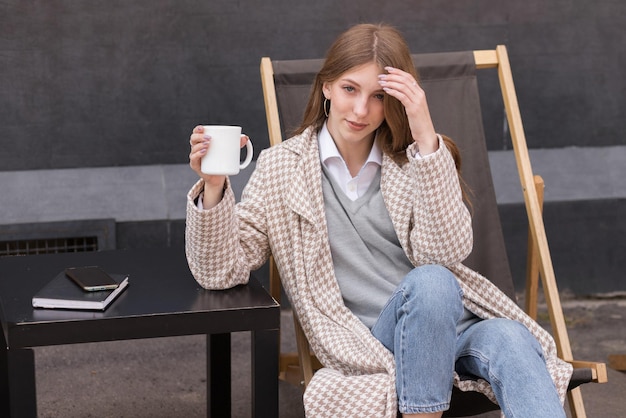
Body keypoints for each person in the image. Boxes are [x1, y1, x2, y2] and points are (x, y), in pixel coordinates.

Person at [186, 23, 572, 418]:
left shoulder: (414, 162)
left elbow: (446, 251)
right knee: (433, 281)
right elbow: (218, 272)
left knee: (509, 335)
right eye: (350, 89)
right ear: (327, 88)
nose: (360, 110)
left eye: (379, 97)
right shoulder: (281, 168)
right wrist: (214, 186)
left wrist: (424, 134)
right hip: (373, 339)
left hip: (452, 324)